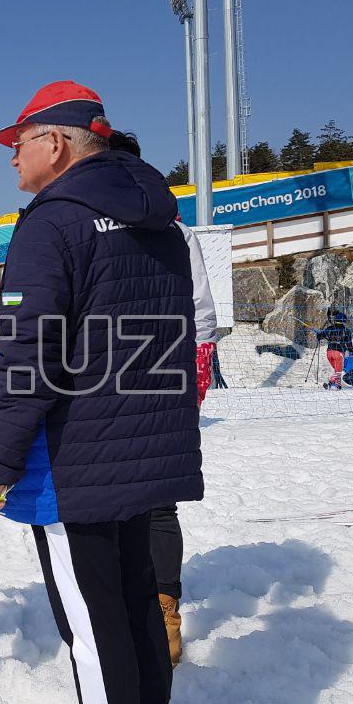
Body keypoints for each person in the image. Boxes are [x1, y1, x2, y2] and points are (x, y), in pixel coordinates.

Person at [0, 82, 202, 704]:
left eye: (20, 145)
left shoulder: (52, 222)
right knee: (134, 597)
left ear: (57, 142)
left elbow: (27, 356)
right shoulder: (159, 216)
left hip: (78, 456)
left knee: (94, 618)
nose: (13, 162)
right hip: (142, 447)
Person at [110, 129, 218, 669]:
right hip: (118, 374)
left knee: (151, 498)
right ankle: (138, 604)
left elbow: (200, 309)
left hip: (152, 371)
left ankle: (163, 606)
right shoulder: (108, 225)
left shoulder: (169, 227)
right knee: (130, 495)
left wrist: (195, 370)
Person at [314, 308, 353, 389]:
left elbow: (320, 336)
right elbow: (349, 344)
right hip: (338, 353)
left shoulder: (329, 328)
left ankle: (338, 386)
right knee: (339, 371)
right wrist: (351, 351)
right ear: (344, 321)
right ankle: (329, 383)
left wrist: (318, 333)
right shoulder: (347, 331)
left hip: (329, 353)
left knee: (336, 370)